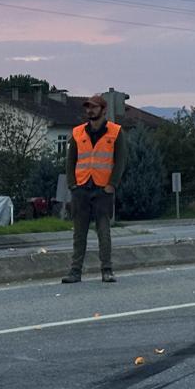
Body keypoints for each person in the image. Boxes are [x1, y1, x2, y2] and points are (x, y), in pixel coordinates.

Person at [61, 94, 126, 284]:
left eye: (94, 107)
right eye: (88, 107)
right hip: (81, 188)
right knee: (78, 233)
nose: (90, 110)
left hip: (102, 189)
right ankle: (75, 271)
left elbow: (120, 161)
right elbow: (70, 160)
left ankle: (107, 270)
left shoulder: (115, 132)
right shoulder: (78, 132)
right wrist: (72, 184)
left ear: (103, 110)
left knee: (103, 231)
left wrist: (112, 185)